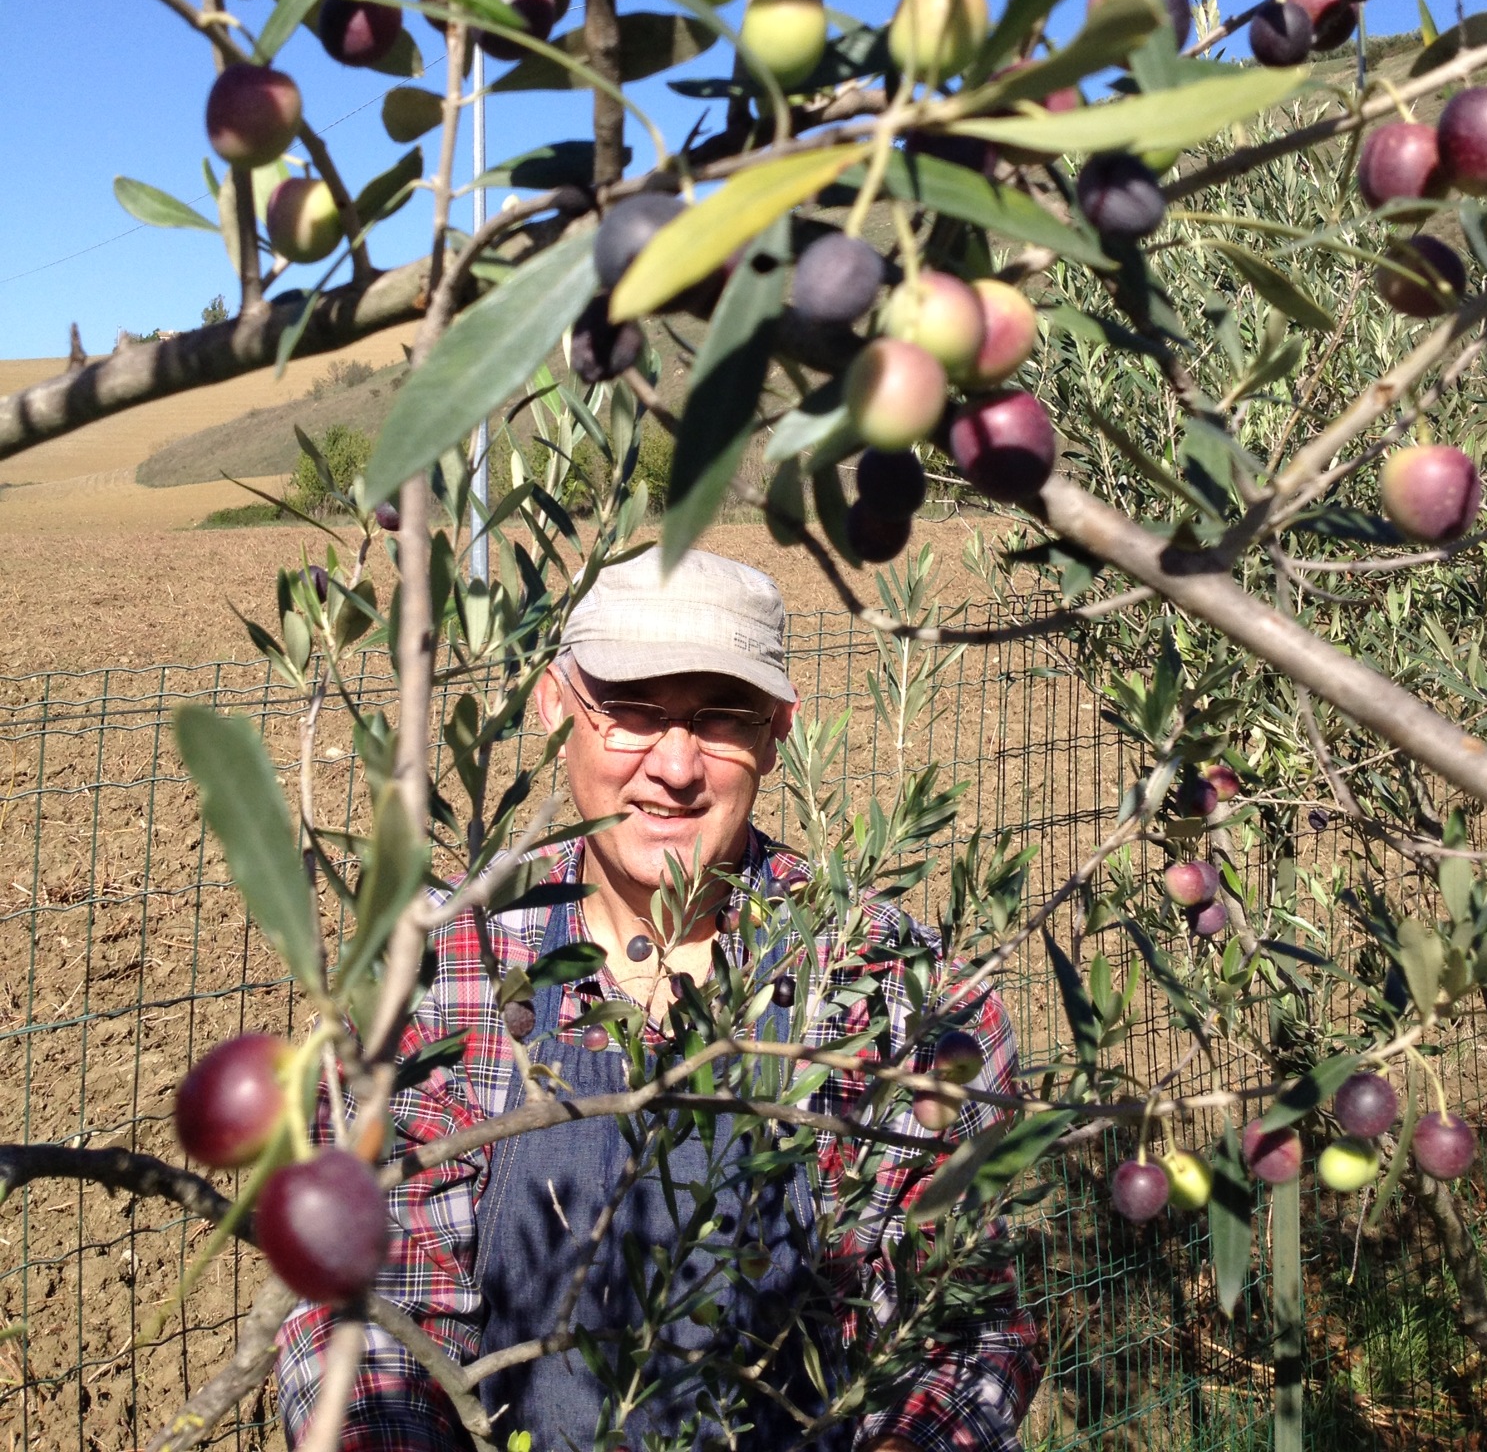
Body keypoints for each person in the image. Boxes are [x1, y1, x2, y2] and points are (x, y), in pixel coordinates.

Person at [277, 549, 1038, 1450]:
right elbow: (370, 1299)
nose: (675, 767)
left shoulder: (892, 990)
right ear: (557, 705)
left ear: (776, 731)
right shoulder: (448, 963)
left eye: (721, 717)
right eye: (632, 711)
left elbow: (970, 1328)